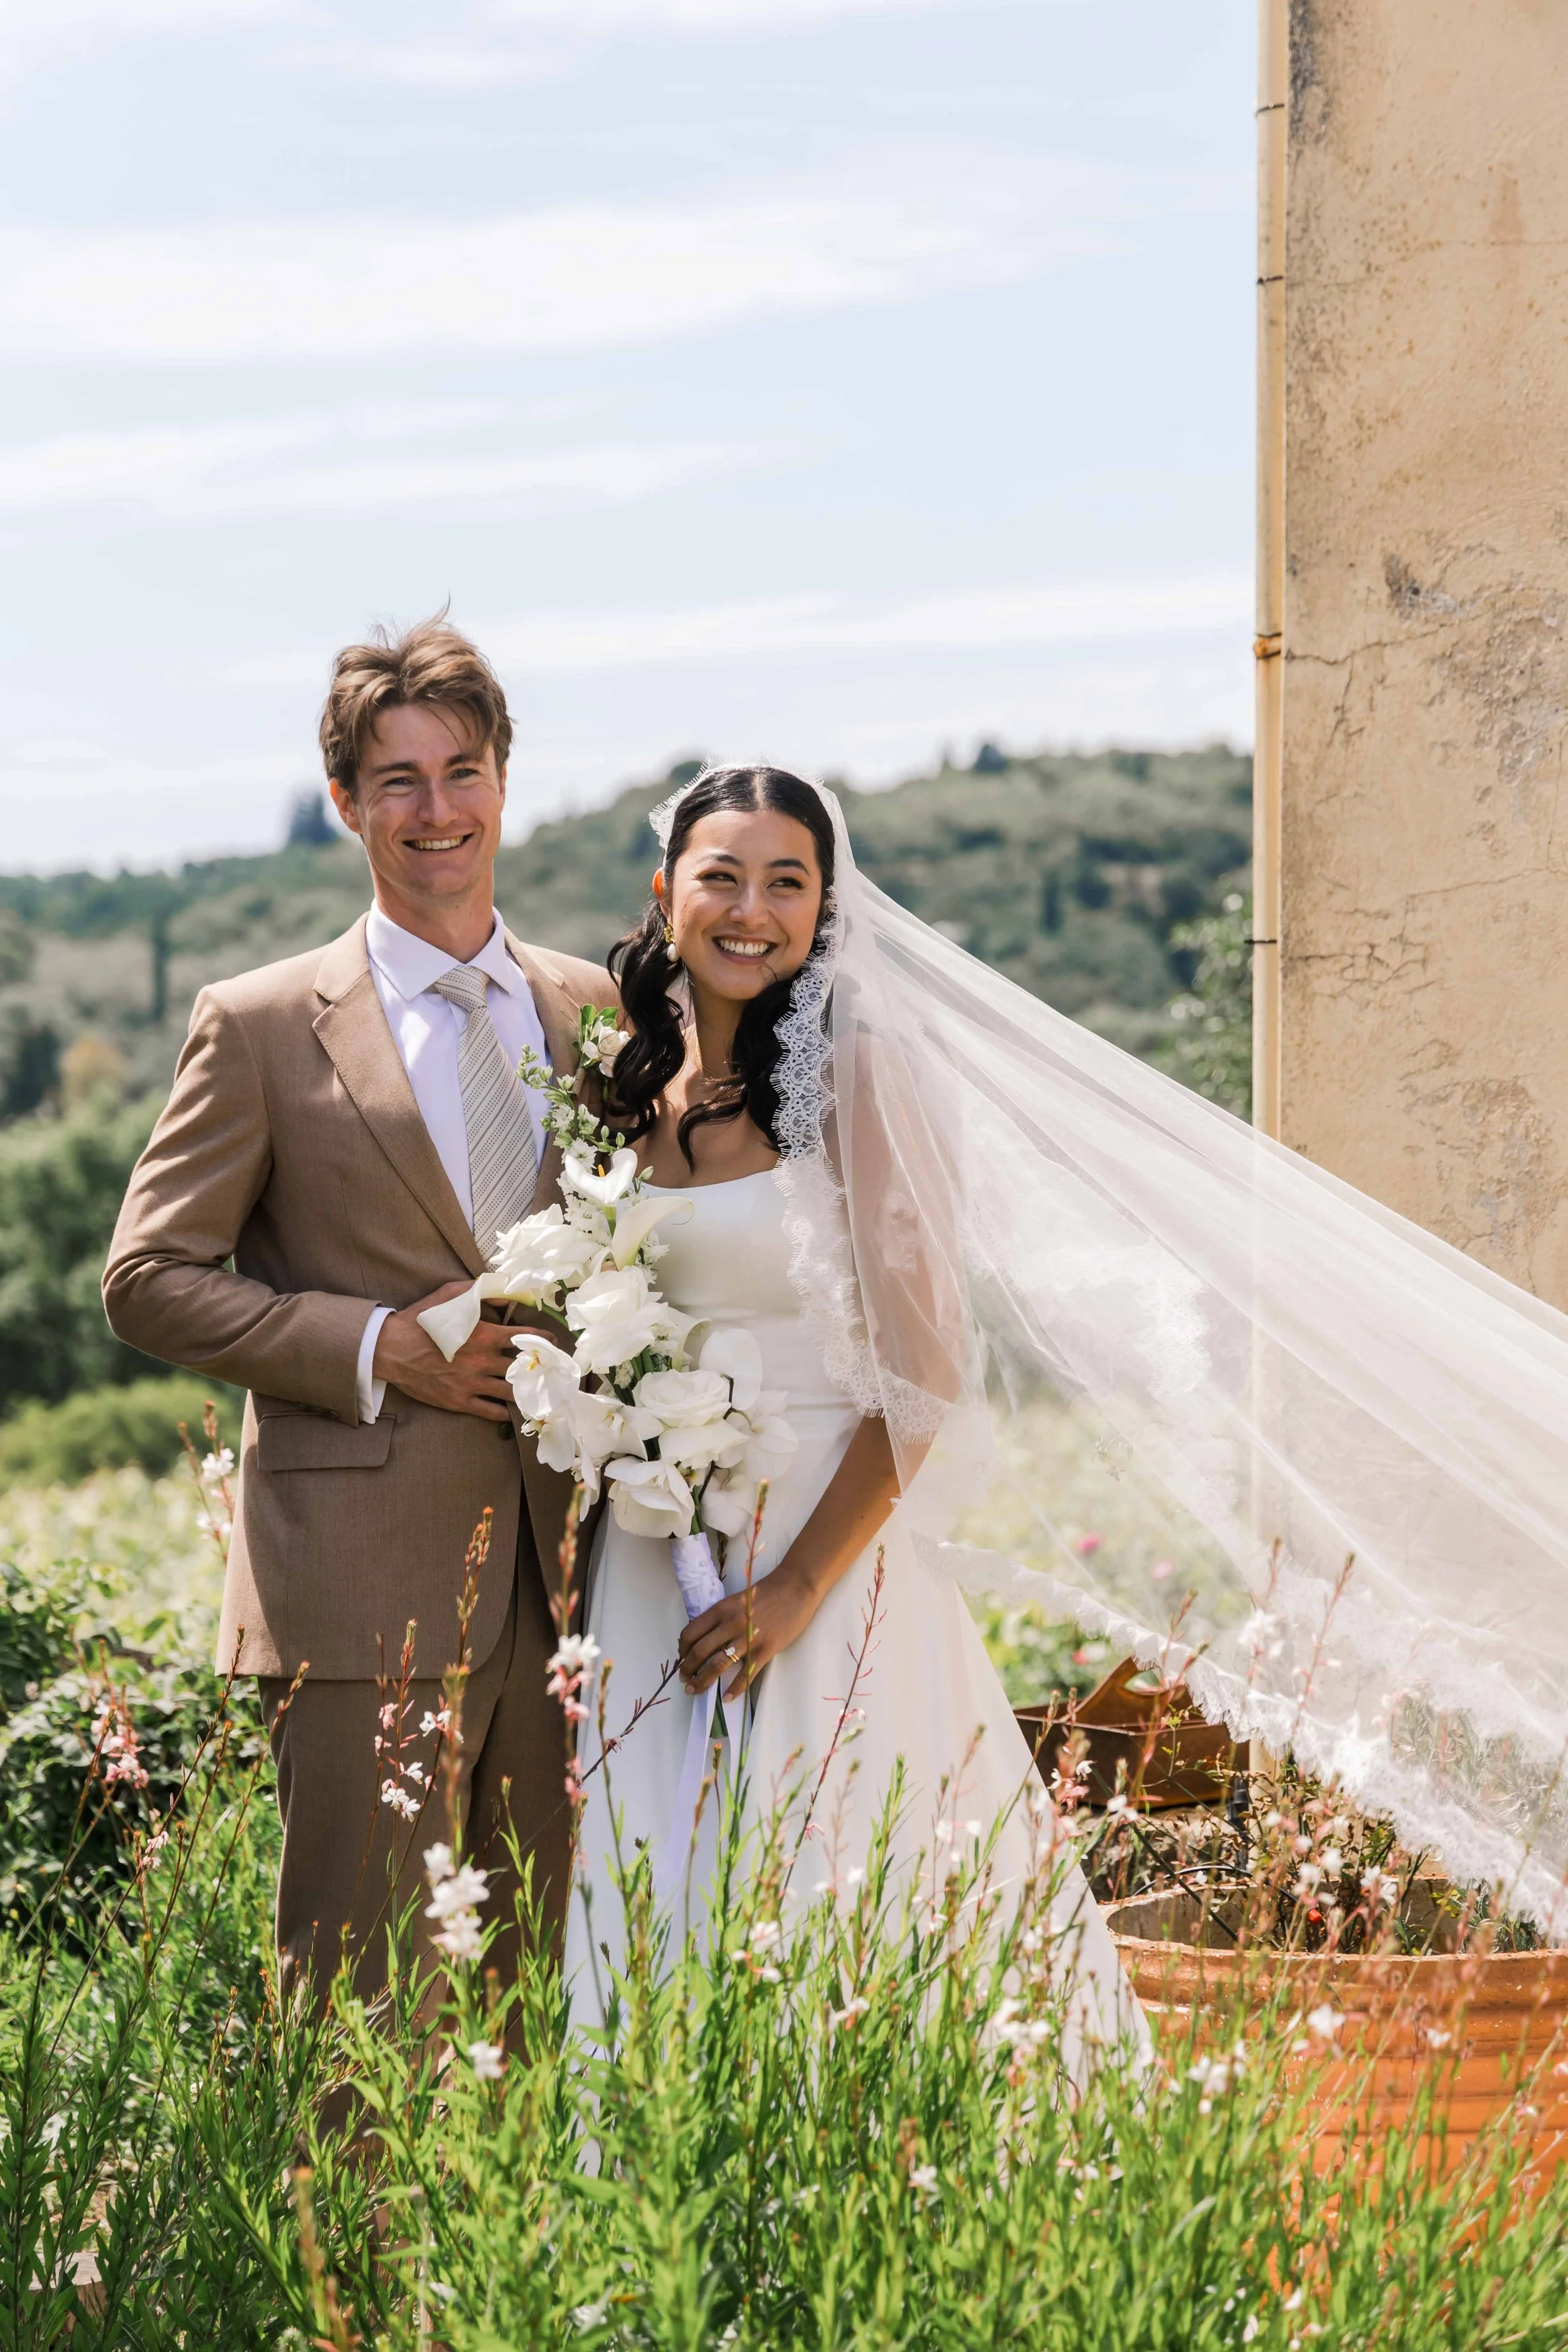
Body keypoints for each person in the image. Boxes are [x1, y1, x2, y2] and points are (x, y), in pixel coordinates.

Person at [566, 766, 1144, 2058]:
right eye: (721, 876)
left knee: (840, 1890)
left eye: (787, 882)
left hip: (820, 1551)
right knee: (657, 1892)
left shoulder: (860, 1076)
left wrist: (795, 1589)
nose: (750, 910)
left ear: (825, 908)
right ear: (665, 893)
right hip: (659, 1555)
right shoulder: (628, 1085)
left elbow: (924, 1371)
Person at [103, 618, 615, 2000]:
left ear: (504, 779)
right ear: (345, 803)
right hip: (357, 1586)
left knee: (542, 2004)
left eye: (459, 769)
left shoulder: (600, 1009)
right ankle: (353, 2238)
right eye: (396, 780)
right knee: (364, 2005)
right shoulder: (262, 1023)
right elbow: (147, 1280)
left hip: (578, 1587)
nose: (435, 809)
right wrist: (376, 1347)